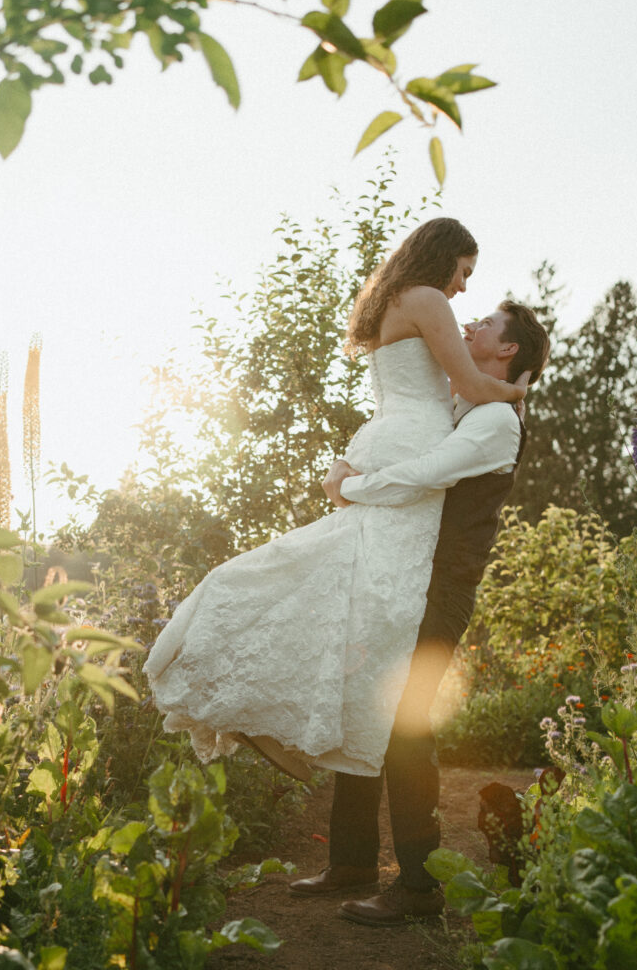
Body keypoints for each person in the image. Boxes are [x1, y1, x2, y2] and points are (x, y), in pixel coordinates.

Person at [143, 218, 525, 783]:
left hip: (382, 436)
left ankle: (278, 711)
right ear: (445, 256)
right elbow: (469, 385)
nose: (463, 289)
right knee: (380, 612)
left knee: (340, 586)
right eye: (464, 272)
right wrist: (517, 390)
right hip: (411, 443)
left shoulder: (387, 298)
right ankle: (292, 720)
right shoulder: (426, 299)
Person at [289, 302, 550, 926]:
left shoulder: (497, 421)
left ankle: (418, 886)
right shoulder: (464, 402)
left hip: (442, 588)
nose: (470, 325)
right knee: (366, 704)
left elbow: (428, 474)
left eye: (486, 323)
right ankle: (351, 861)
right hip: (405, 573)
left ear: (508, 350)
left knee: (407, 722)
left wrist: (349, 488)